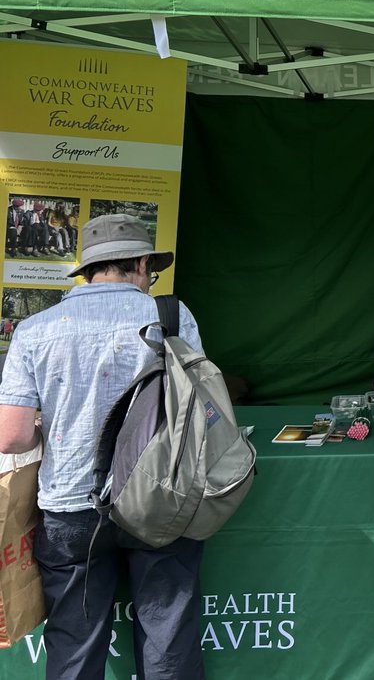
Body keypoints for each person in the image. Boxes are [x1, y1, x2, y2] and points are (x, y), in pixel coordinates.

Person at [0, 214, 208, 679]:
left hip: (71, 506)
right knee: (169, 639)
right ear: (141, 263)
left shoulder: (34, 329)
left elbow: (10, 436)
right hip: (161, 498)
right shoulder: (172, 317)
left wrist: (59, 428)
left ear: (89, 271)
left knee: (74, 647)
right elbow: (197, 407)